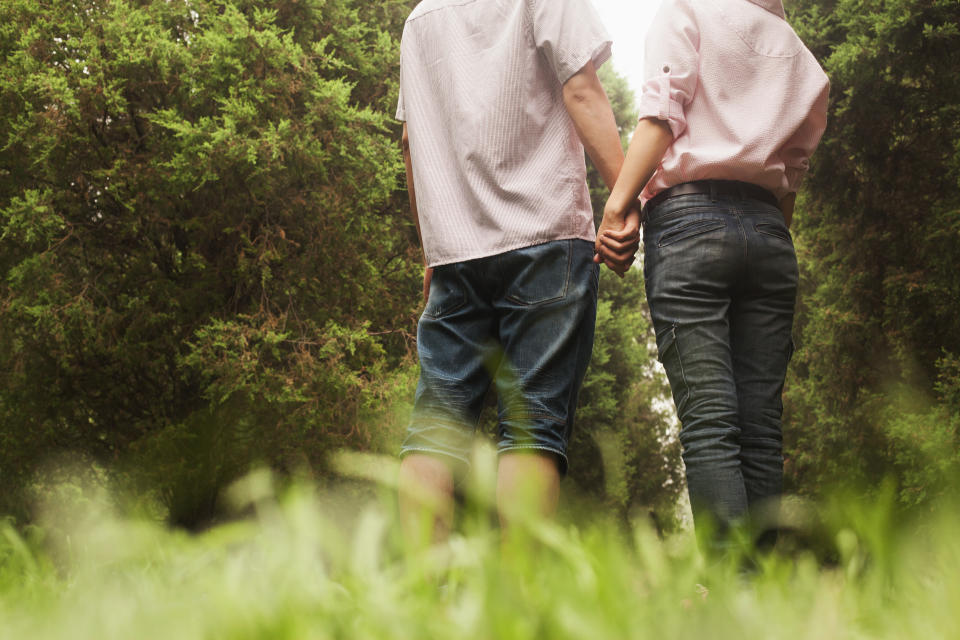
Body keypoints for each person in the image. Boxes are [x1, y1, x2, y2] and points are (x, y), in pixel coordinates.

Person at [395, 0, 639, 547]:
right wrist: (627, 197)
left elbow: (413, 145)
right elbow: (581, 89)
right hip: (545, 237)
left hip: (456, 255)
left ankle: (417, 596)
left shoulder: (419, 19)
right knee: (531, 424)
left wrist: (431, 252)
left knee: (436, 425)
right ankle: (517, 598)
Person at [595, 0, 829, 546]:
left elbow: (661, 117)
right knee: (761, 430)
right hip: (771, 233)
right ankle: (766, 586)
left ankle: (730, 586)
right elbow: (791, 176)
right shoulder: (799, 54)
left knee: (710, 423)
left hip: (689, 222)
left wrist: (617, 205)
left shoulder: (686, 10)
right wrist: (764, 235)